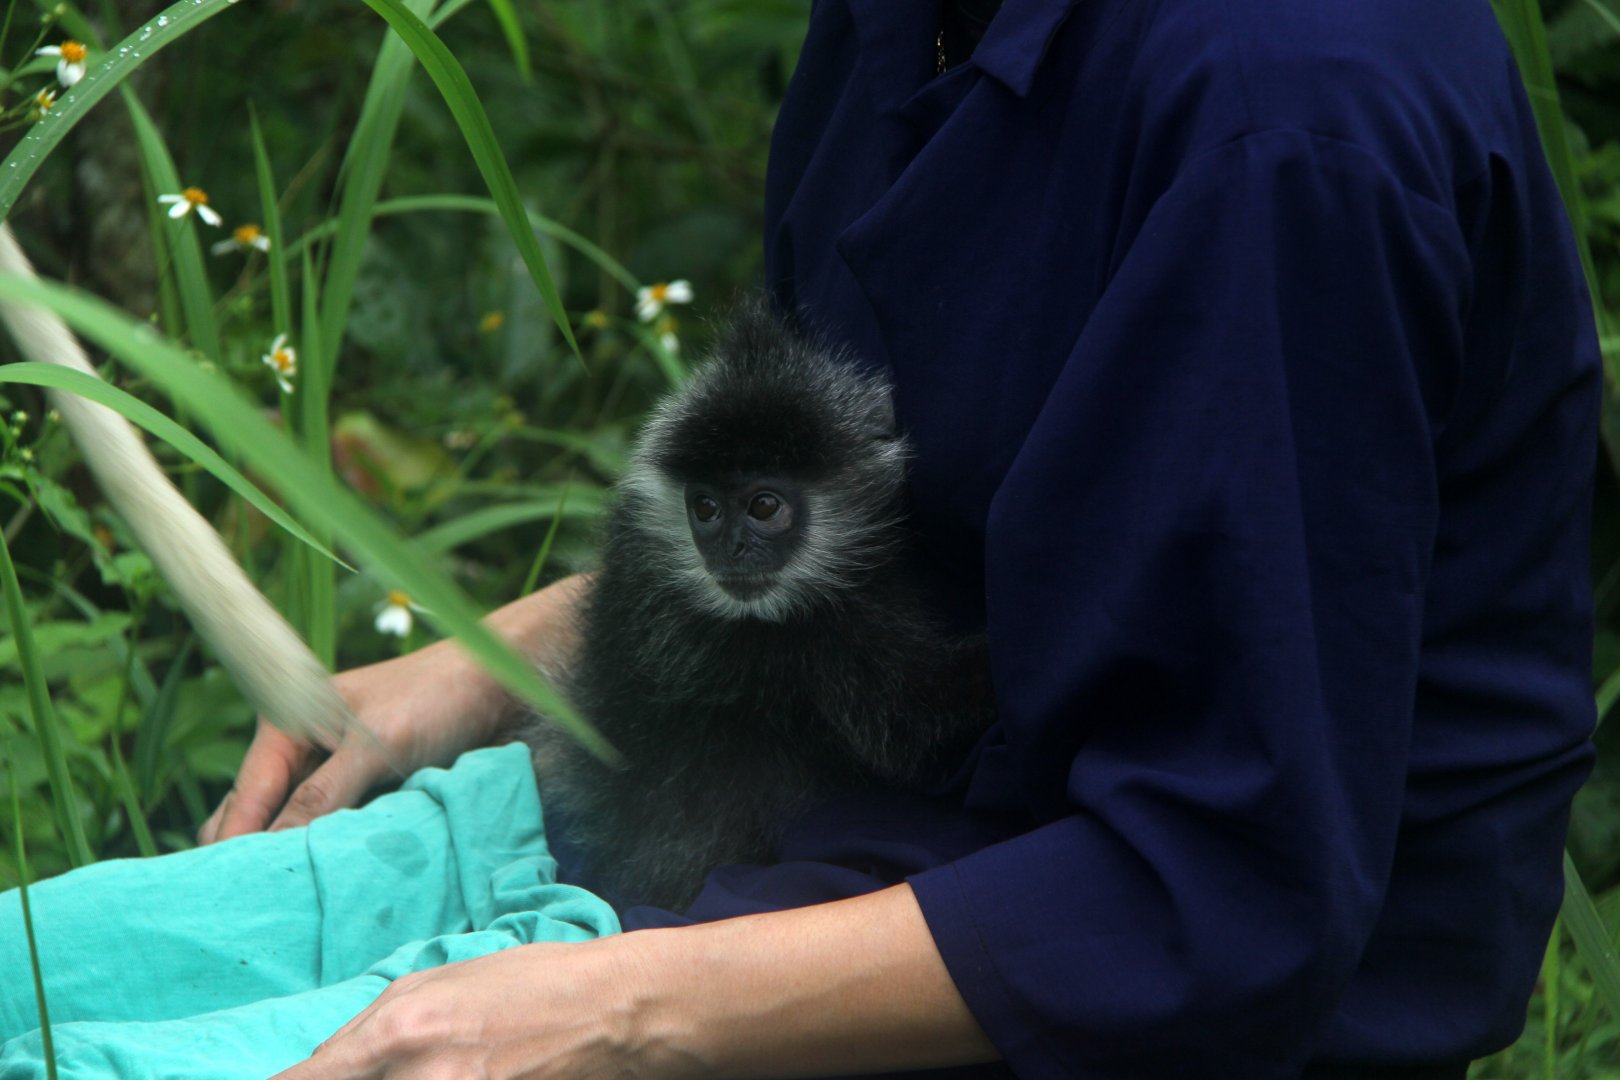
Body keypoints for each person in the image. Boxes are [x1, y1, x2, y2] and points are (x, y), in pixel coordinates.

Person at [31, 0, 1611, 1076]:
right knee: (39, 986)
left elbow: (1225, 892)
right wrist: (508, 651)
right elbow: (916, 516)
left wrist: (606, 1012)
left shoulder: (1282, 125)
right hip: (744, 793)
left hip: (1019, 993)